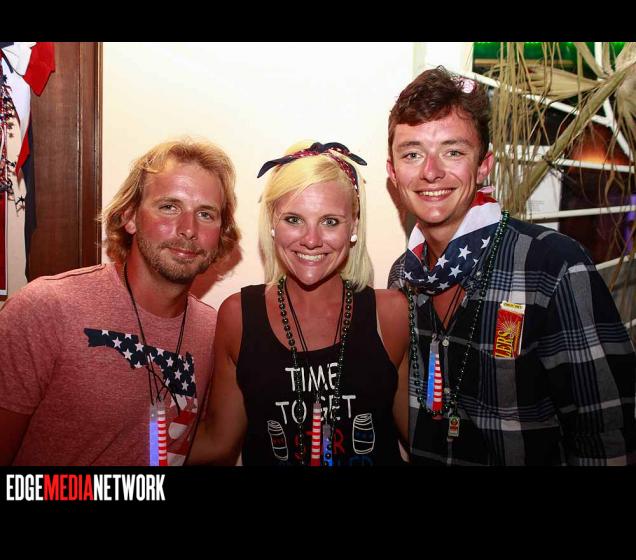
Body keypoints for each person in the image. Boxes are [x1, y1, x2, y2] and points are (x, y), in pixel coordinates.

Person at [386, 66, 636, 466]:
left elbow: (606, 432)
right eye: (412, 154)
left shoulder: (553, 266)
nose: (430, 171)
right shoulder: (403, 275)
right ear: (393, 171)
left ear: (483, 165)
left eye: (453, 151)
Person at [0, 138, 240, 466]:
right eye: (169, 207)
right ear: (130, 217)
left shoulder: (214, 329)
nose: (188, 229)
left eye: (206, 214)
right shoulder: (46, 309)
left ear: (221, 232)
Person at [189, 141, 409, 466]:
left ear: (353, 226)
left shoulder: (390, 314)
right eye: (294, 219)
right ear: (272, 223)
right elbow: (218, 445)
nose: (311, 239)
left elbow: (427, 442)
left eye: (330, 221)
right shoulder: (239, 316)